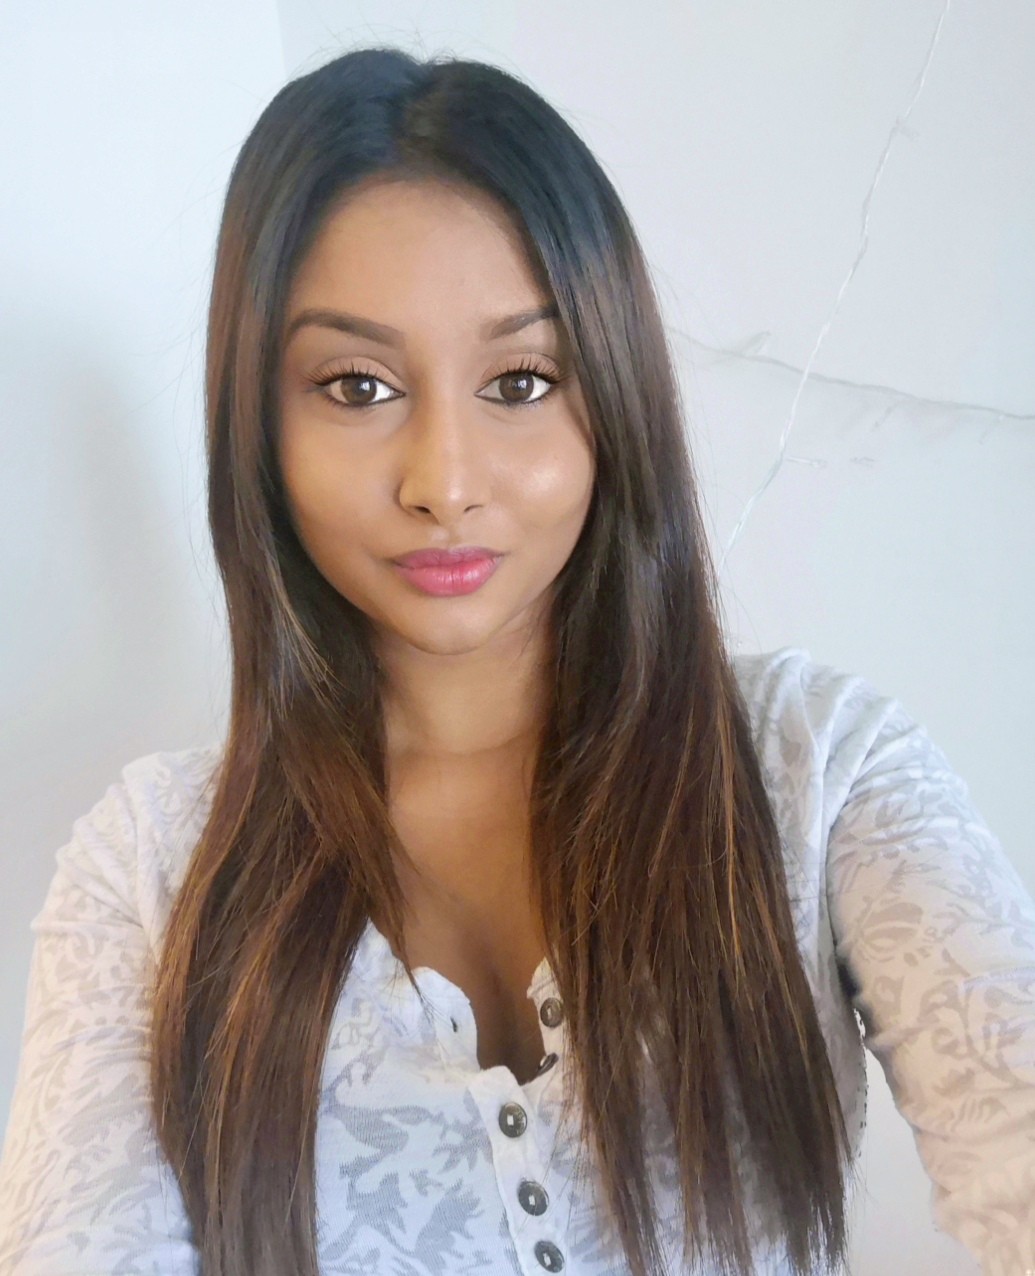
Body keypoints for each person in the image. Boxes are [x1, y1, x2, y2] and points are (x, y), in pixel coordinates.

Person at [0, 45, 1032, 1276]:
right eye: (358, 385)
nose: (444, 483)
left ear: (615, 402)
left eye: (522, 380)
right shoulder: (156, 869)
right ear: (259, 424)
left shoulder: (819, 773)